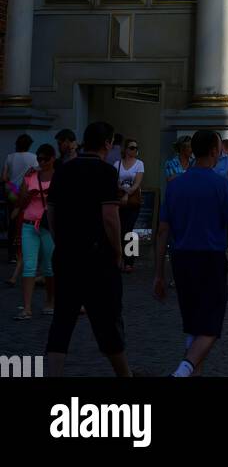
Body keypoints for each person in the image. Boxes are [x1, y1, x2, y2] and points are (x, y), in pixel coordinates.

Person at [154, 130, 228, 377]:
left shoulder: (175, 185)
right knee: (210, 327)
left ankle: (191, 371)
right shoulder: (220, 185)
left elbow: (162, 231)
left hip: (181, 259)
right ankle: (183, 370)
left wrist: (158, 273)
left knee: (193, 326)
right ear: (214, 151)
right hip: (209, 259)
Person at [44, 119, 131, 378]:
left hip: (67, 254)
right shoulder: (105, 172)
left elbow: (52, 211)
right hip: (97, 257)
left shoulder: (64, 170)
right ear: (107, 143)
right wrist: (118, 251)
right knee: (107, 320)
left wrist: (61, 241)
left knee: (62, 319)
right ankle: (125, 375)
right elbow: (109, 216)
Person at [14, 144, 56, 319]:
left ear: (52, 159)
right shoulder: (31, 175)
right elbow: (21, 202)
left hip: (49, 226)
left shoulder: (58, 176)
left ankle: (50, 302)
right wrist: (29, 194)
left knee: (49, 266)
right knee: (29, 267)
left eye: (45, 158)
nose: (42, 162)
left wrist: (48, 194)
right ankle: (27, 308)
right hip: (29, 225)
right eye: (39, 158)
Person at [3, 133, 36, 266]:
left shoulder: (10, 157)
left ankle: (11, 254)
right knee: (26, 223)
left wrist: (12, 186)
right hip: (26, 193)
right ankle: (24, 252)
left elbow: (4, 177)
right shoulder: (34, 158)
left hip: (12, 192)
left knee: (12, 222)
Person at [114, 139, 144, 271]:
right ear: (125, 149)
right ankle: (119, 258)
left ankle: (129, 262)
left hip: (133, 201)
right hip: (119, 201)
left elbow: (137, 183)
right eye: (132, 147)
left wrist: (127, 194)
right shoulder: (117, 164)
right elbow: (115, 181)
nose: (134, 150)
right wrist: (122, 190)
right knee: (119, 229)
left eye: (136, 148)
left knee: (129, 230)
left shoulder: (139, 164)